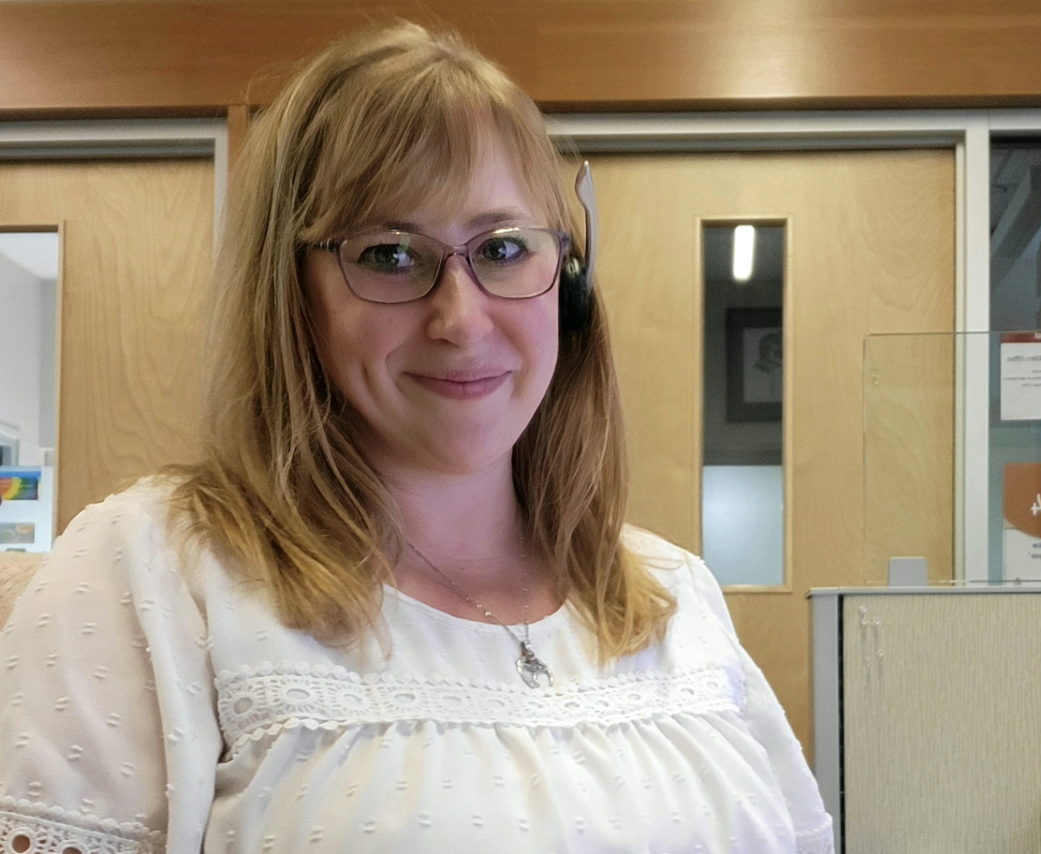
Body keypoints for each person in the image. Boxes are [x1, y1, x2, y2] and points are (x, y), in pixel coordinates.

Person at [0, 22, 833, 854]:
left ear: (568, 289)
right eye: (391, 255)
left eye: (503, 248)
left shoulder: (673, 595)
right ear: (293, 298)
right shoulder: (153, 571)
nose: (461, 320)